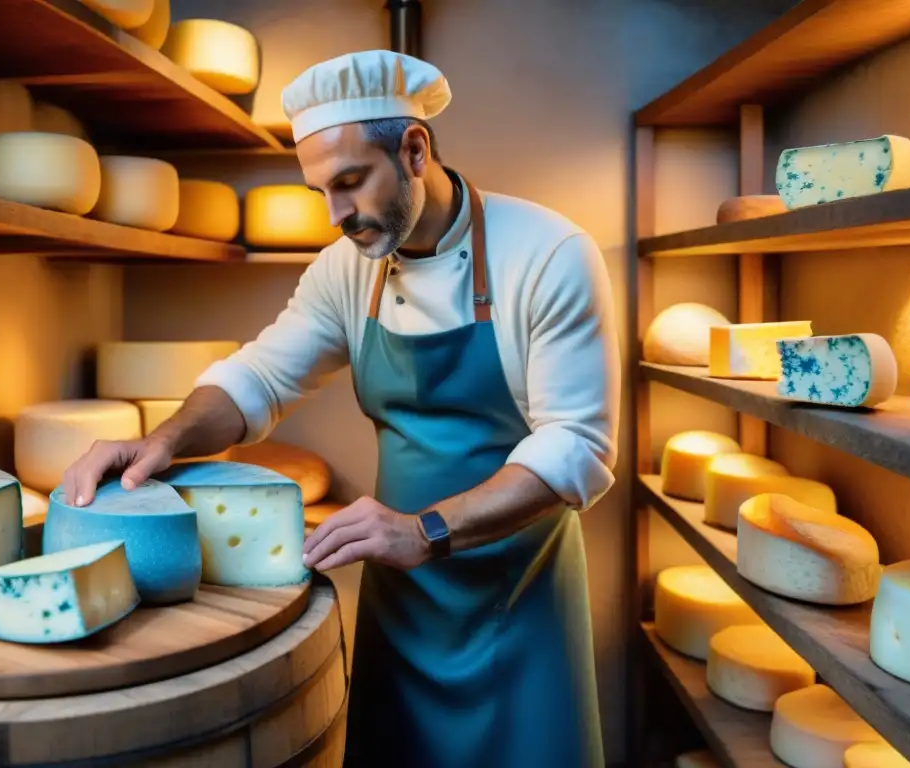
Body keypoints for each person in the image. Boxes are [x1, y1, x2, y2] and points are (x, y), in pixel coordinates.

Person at [60, 49, 621, 768]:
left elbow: (577, 447)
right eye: (320, 190)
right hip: (405, 597)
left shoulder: (549, 254)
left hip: (517, 598)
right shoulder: (345, 270)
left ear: (414, 150)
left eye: (351, 182)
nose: (336, 215)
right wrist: (164, 440)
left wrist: (426, 530)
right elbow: (260, 376)